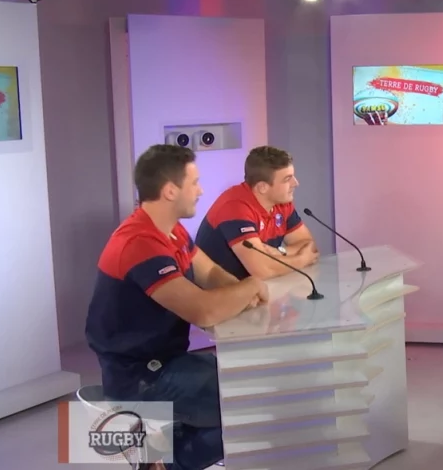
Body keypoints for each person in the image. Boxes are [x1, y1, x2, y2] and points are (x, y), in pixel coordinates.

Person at [85, 144, 269, 470]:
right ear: (170, 190)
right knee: (251, 405)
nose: (201, 191)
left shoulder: (170, 231)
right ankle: (160, 461)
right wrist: (251, 285)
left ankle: (157, 453)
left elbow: (208, 272)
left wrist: (241, 293)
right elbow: (202, 311)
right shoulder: (140, 243)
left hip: (165, 361)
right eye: (194, 183)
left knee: (251, 385)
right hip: (140, 377)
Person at [195, 146, 319, 280]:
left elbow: (309, 245)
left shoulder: (282, 202)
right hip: (221, 289)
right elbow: (263, 270)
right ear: (262, 187)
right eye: (287, 179)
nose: (295, 183)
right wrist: (302, 260)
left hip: (258, 286)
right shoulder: (235, 207)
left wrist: (280, 252)